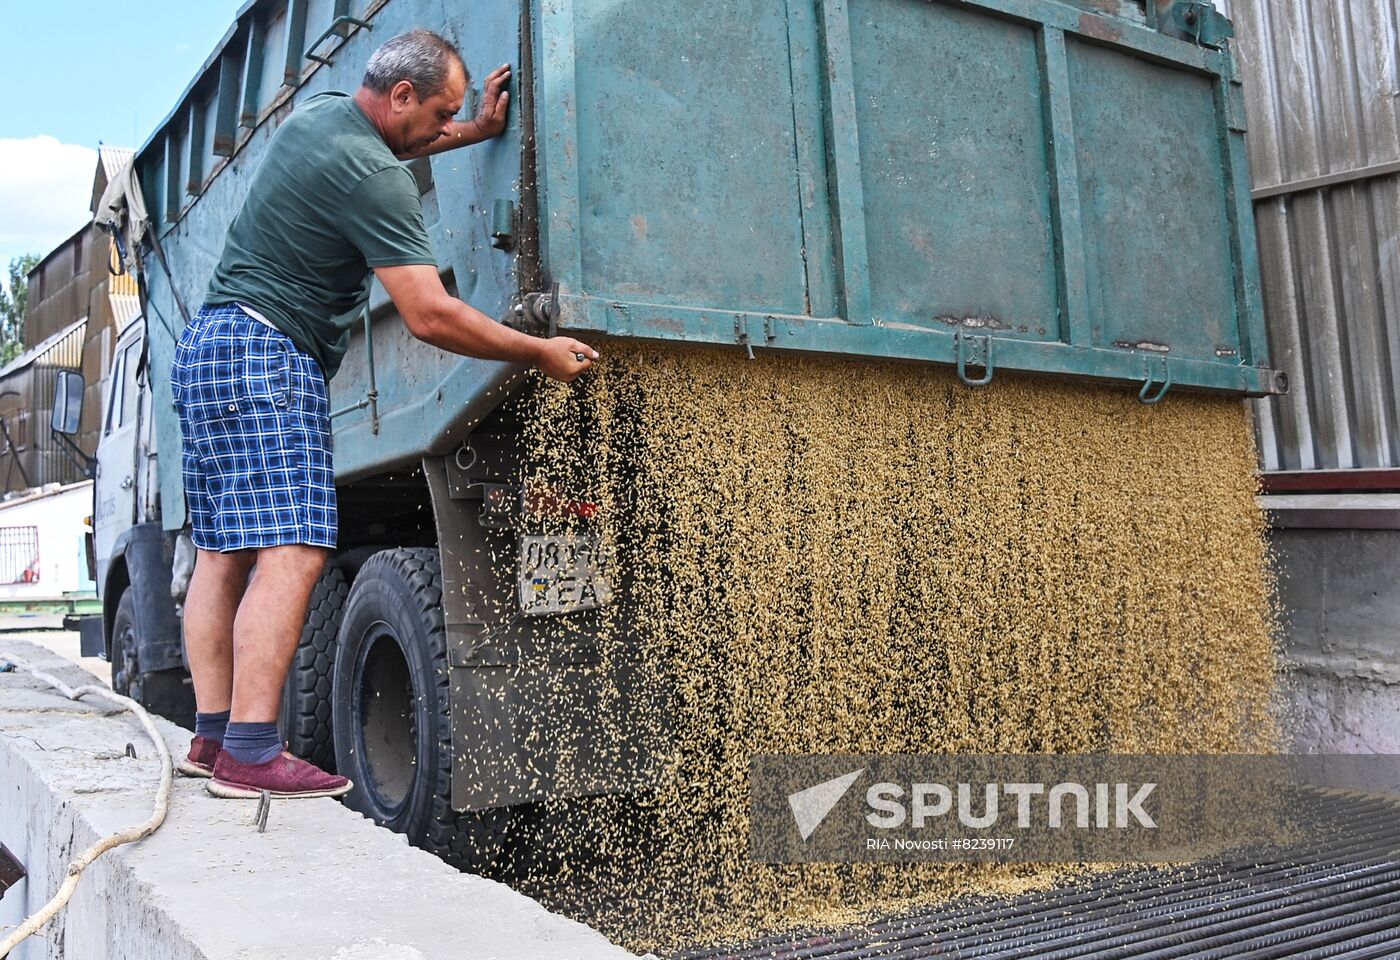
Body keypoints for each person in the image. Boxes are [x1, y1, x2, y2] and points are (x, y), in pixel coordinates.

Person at [169, 29, 597, 799]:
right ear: (401, 96)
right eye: (440, 114)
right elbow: (429, 314)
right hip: (269, 354)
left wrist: (477, 132)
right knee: (294, 549)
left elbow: (390, 151)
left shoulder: (325, 116)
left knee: (222, 553)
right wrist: (536, 352)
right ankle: (253, 753)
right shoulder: (375, 175)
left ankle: (212, 737)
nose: (443, 130)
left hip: (210, 347)